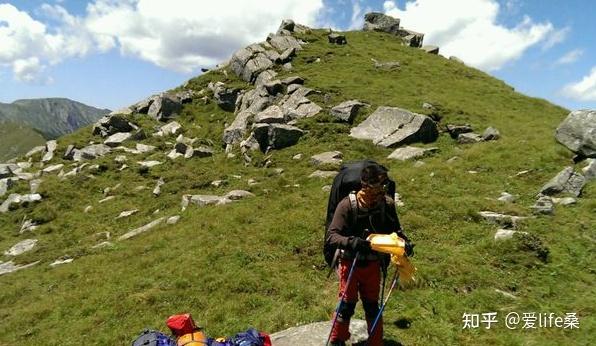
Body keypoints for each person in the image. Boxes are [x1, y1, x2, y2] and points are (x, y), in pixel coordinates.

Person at [326, 163, 412, 346]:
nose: (382, 192)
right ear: (365, 186)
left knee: (372, 306)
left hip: (373, 264)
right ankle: (337, 340)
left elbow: (395, 230)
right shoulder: (347, 205)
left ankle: (375, 342)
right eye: (378, 188)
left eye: (384, 187)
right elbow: (332, 236)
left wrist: (405, 243)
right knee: (346, 306)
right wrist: (352, 242)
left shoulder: (386, 205)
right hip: (350, 262)